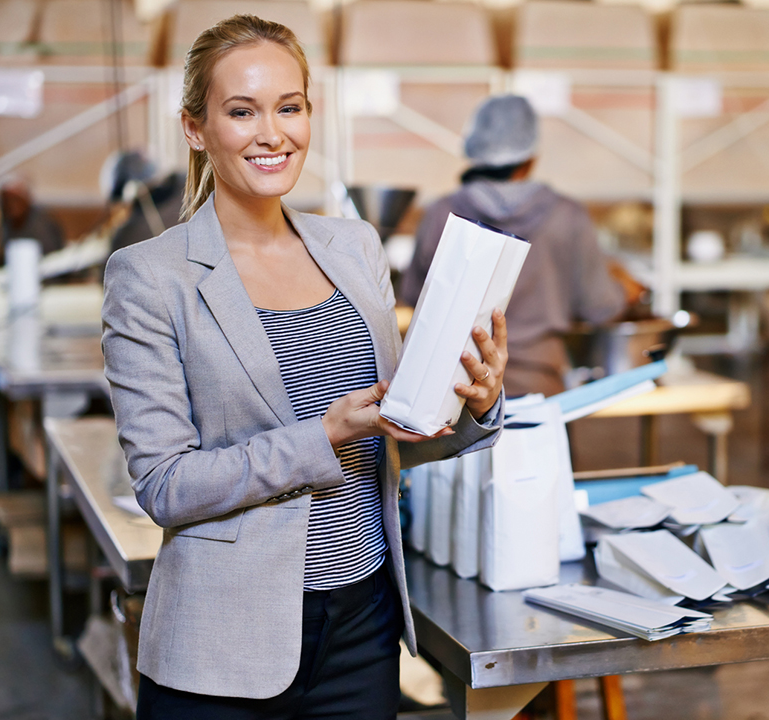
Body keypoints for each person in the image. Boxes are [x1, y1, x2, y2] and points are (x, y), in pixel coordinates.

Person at [100, 15, 507, 718]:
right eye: (241, 111)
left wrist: (473, 402)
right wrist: (321, 438)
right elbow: (165, 485)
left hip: (363, 626)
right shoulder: (150, 276)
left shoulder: (354, 248)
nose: (272, 133)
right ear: (196, 128)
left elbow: (398, 426)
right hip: (223, 645)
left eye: (289, 107)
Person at [400, 95, 644, 397]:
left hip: (456, 389)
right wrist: (624, 291)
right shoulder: (567, 216)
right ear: (531, 158)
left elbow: (414, 297)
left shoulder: (441, 214)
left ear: (475, 153)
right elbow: (599, 307)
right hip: (539, 385)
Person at [0, 175, 65, 268]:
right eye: (5, 201)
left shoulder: (42, 226)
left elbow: (52, 263)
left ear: (27, 199)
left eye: (15, 199)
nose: (10, 205)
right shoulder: (2, 226)